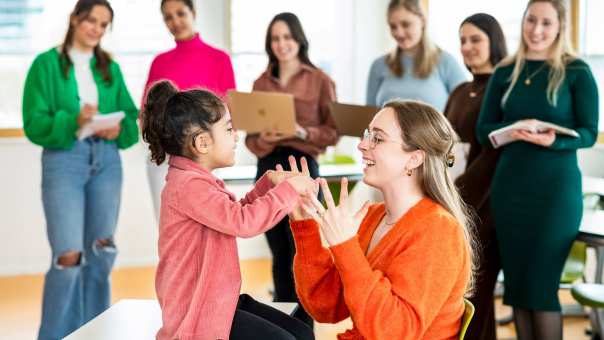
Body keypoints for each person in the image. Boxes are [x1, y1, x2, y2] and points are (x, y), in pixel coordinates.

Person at [142, 80, 316, 340]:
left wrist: (269, 183)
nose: (236, 136)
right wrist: (288, 191)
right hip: (199, 312)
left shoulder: (195, 180)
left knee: (301, 332)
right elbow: (242, 222)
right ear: (202, 143)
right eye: (229, 129)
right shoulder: (187, 187)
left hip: (220, 300)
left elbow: (231, 213)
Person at [290, 100, 475, 340]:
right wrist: (305, 226)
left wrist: (345, 246)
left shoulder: (438, 230)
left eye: (377, 138)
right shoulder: (374, 216)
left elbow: (395, 332)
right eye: (367, 135)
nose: (362, 145)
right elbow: (326, 307)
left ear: (414, 159)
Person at [476, 1, 599, 339]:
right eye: (531, 20)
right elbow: (483, 129)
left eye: (546, 22)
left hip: (555, 193)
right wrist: (511, 131)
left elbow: (589, 132)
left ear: (560, 26)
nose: (537, 30)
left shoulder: (576, 71)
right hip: (510, 190)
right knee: (517, 288)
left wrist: (553, 141)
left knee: (541, 291)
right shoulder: (506, 71)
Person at [21, 1, 139, 339]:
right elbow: (34, 122)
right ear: (75, 19)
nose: (97, 30)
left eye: (104, 25)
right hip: (64, 161)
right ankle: (56, 335)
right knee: (68, 256)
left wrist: (119, 129)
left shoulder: (109, 69)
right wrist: (74, 120)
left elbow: (130, 115)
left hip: (107, 161)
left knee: (101, 251)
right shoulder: (45, 64)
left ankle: (96, 331)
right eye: (91, 21)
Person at [244, 12, 338, 327]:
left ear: (298, 39)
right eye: (275, 38)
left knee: (303, 249)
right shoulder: (260, 82)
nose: (281, 44)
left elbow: (333, 133)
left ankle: (304, 329)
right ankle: (282, 327)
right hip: (268, 168)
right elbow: (250, 141)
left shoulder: (320, 79)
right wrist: (265, 139)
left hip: (302, 167)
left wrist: (300, 132)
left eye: (287, 37)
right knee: (279, 252)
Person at [443, 13, 507, 340]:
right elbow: (444, 146)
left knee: (476, 295)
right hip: (454, 202)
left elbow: (493, 155)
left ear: (494, 41)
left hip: (484, 207)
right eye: (463, 40)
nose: (467, 47)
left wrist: (456, 197)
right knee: (460, 297)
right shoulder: (458, 91)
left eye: (475, 39)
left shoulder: (504, 89)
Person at [143, 0, 236, 222]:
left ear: (193, 12)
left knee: (214, 222)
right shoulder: (160, 62)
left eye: (180, 13)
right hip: (167, 154)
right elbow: (146, 110)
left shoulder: (219, 59)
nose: (175, 21)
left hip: (206, 153)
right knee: (169, 223)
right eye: (168, 17)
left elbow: (231, 109)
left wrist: (228, 139)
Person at [366, 0, 467, 111]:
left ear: (423, 21)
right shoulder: (379, 65)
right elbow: (369, 116)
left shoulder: (446, 62)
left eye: (406, 24)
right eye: (393, 26)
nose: (399, 33)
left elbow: (463, 112)